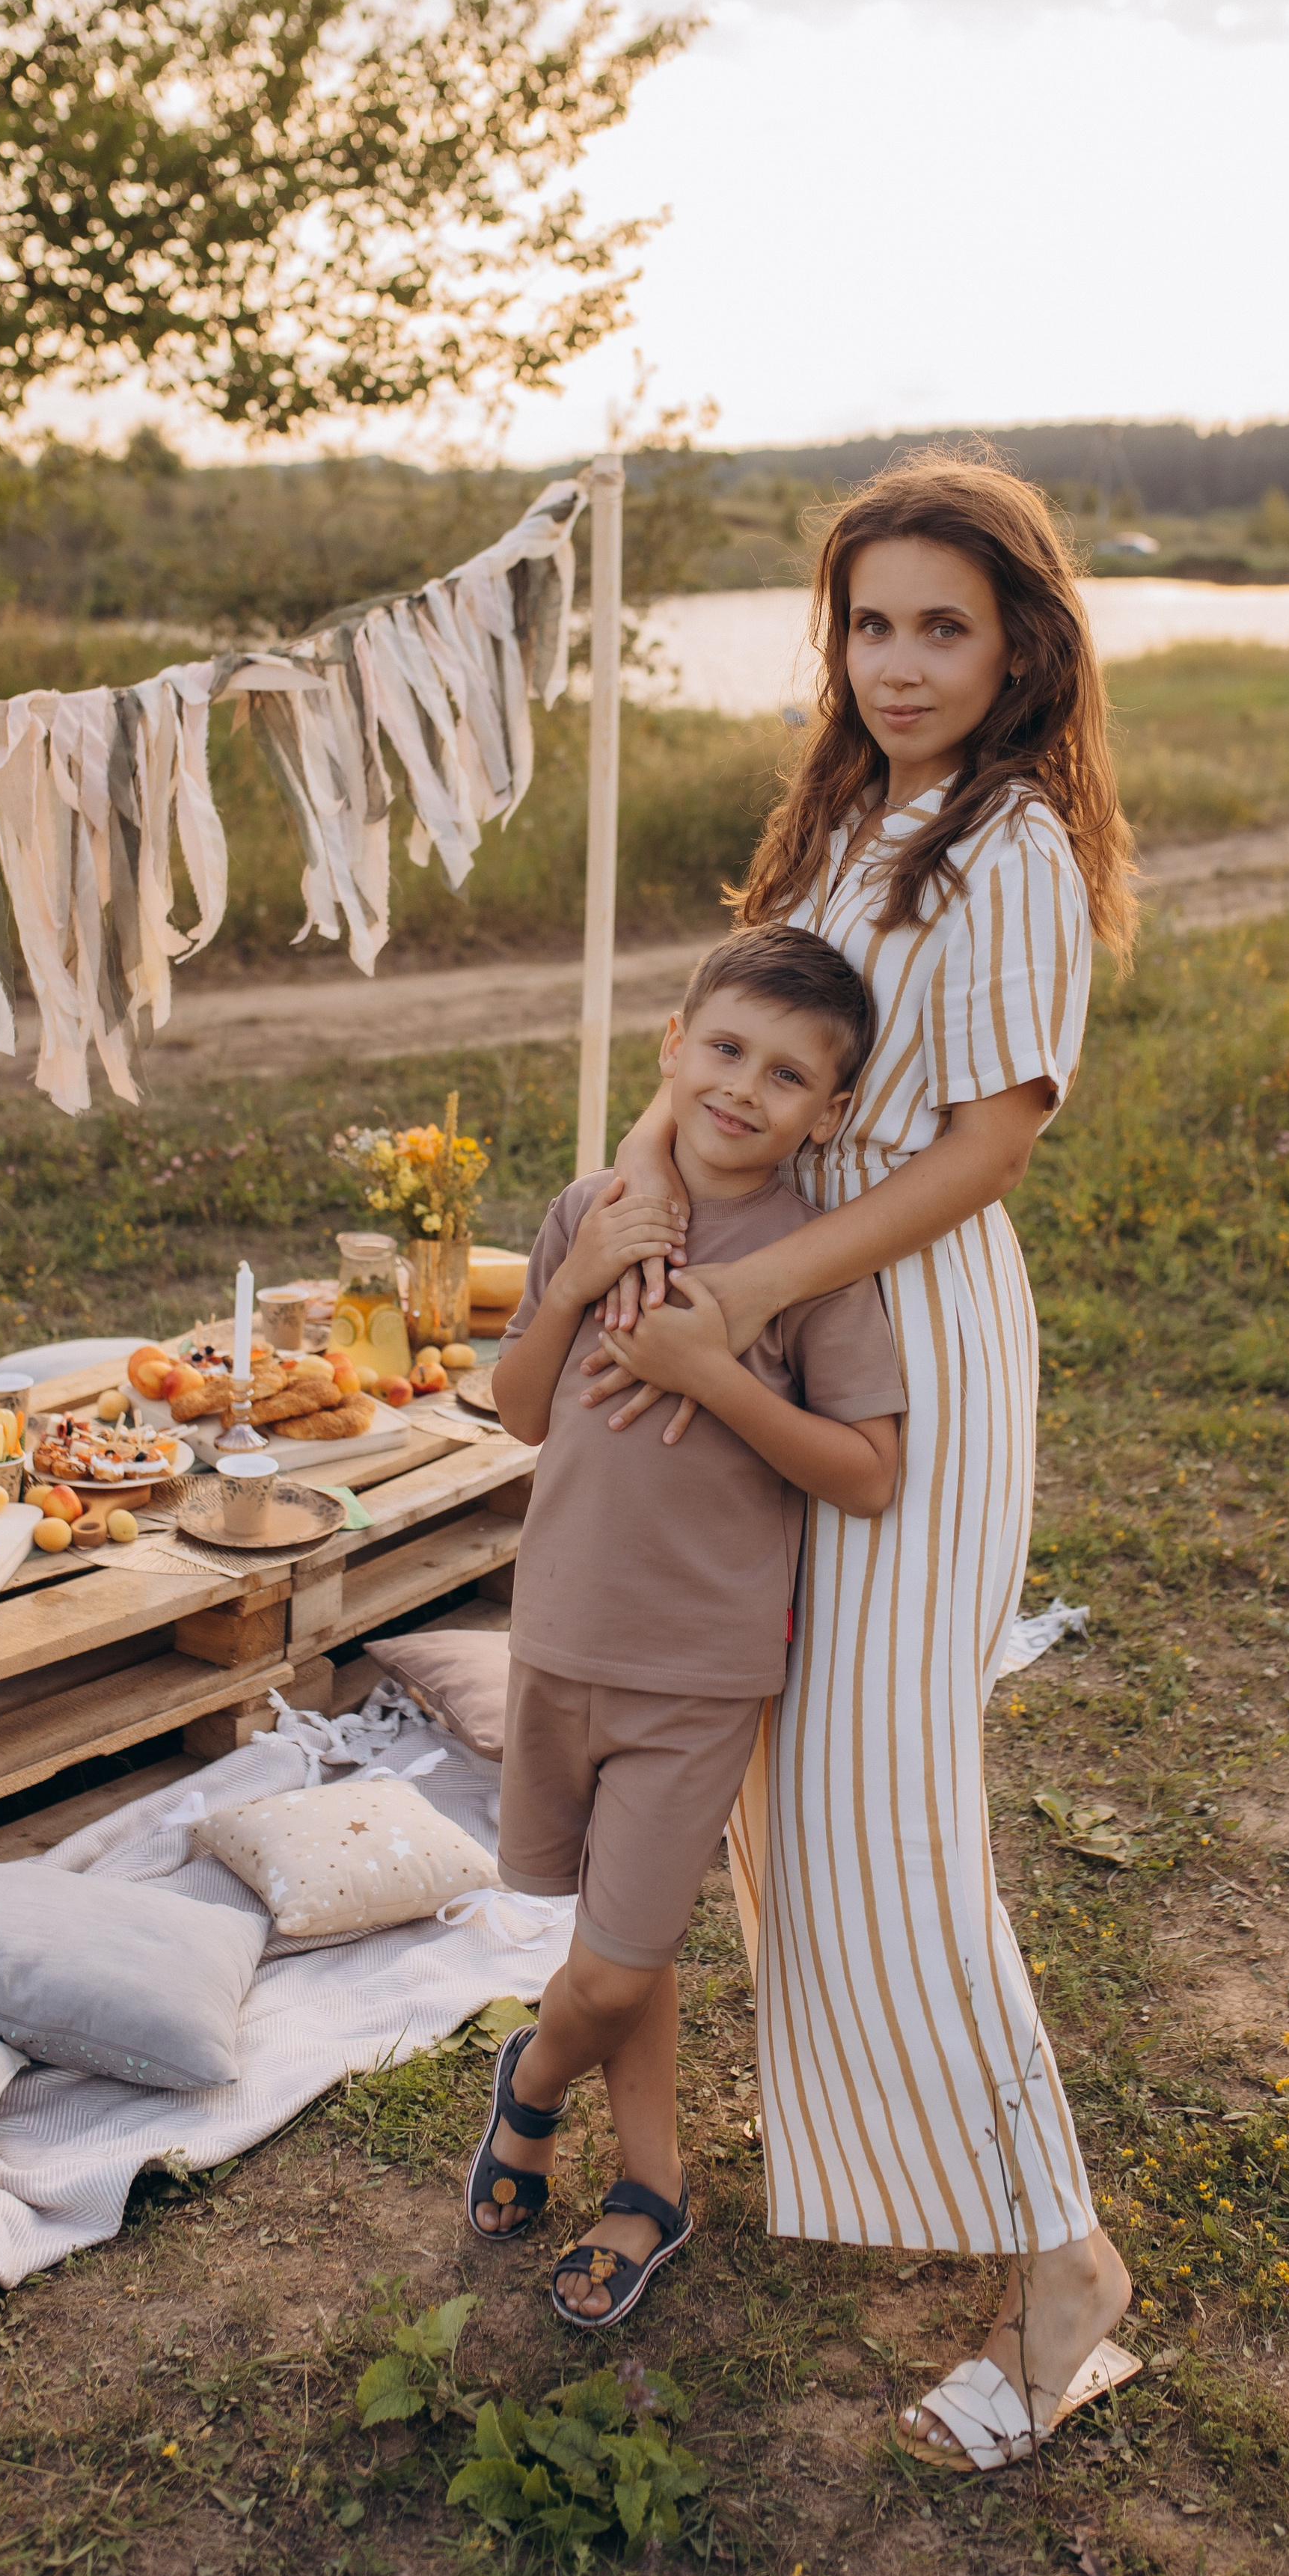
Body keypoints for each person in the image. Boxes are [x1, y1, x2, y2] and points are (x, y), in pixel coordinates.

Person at [584, 452, 1142, 2471]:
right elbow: (727, 1044)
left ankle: (1064, 2264)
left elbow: (988, 1144)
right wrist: (652, 1203)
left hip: (909, 1334)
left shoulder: (1009, 852)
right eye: (871, 622)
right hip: (777, 1298)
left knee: (887, 1812)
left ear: (1021, 650)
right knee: (781, 1791)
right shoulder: (850, 817)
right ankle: (941, 2185)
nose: (898, 663)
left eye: (943, 628)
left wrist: (745, 1302)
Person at [470, 924, 907, 2330]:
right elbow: (522, 1405)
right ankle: (649, 2186)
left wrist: (710, 1372)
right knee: (624, 1940)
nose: (743, 1089)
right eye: (724, 1050)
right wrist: (588, 1274)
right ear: (675, 1048)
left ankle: (529, 2093)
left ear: (828, 1114)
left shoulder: (814, 1264)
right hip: (558, 1635)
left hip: (700, 1668)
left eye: (788, 1076)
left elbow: (868, 1470)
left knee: (611, 1961)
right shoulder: (595, 1207)